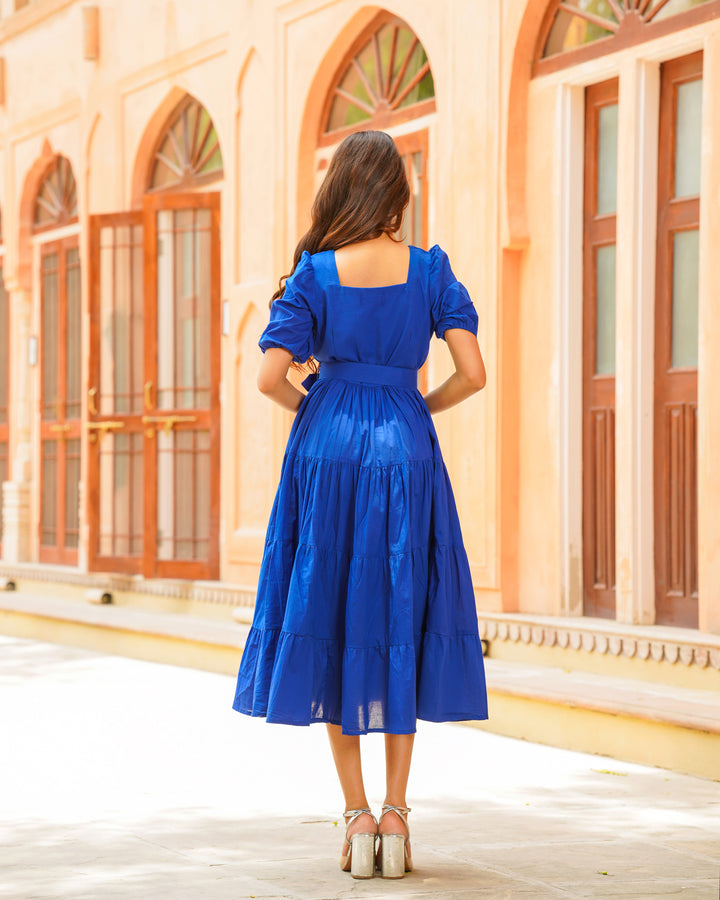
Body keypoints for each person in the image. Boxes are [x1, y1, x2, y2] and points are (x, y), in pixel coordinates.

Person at [232, 130, 488, 879]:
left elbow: (268, 378)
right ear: (398, 195)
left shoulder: (313, 274)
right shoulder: (430, 269)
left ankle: (357, 817)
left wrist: (319, 402)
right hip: (404, 442)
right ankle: (400, 815)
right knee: (401, 612)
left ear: (341, 191)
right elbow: (473, 372)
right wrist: (417, 408)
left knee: (334, 615)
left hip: (329, 447)